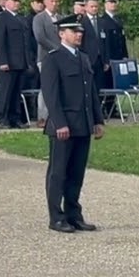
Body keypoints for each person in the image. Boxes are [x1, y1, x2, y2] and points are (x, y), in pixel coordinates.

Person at [40, 14, 105, 233]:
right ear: (61, 34)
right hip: (64, 124)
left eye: (80, 31)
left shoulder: (83, 58)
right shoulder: (54, 58)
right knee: (58, 172)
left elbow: (91, 93)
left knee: (77, 172)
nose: (79, 35)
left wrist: (97, 120)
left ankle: (73, 213)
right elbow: (51, 95)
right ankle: (56, 216)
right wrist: (59, 123)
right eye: (74, 31)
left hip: (83, 123)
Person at [0, 0, 31, 130]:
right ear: (6, 2)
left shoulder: (21, 18)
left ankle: (15, 118)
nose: (16, 3)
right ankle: (1, 118)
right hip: (8, 62)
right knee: (5, 92)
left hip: (20, 61)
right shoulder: (1, 17)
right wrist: (2, 61)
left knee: (16, 92)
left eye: (17, 1)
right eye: (13, 1)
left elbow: (25, 42)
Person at [31, 0, 62, 126]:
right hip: (45, 57)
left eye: (56, 1)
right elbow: (40, 37)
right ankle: (42, 117)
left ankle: (56, 116)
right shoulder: (39, 18)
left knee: (59, 86)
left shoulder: (61, 18)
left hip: (61, 57)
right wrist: (56, 48)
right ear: (45, 3)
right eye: (51, 1)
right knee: (46, 87)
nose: (54, 4)